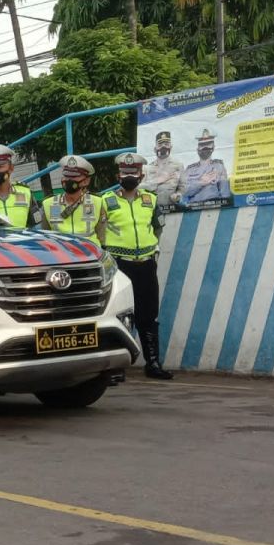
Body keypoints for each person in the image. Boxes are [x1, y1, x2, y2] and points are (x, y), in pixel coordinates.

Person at [103, 153, 173, 380]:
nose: (129, 176)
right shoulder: (106, 201)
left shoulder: (150, 200)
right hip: (120, 266)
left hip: (145, 264)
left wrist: (154, 249)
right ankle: (116, 367)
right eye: (125, 173)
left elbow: (158, 227)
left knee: (149, 313)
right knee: (119, 314)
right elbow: (99, 231)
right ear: (118, 175)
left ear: (141, 176)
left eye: (133, 173)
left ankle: (152, 363)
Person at [40, 155, 107, 245]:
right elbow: (45, 236)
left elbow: (102, 236)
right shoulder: (48, 204)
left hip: (90, 255)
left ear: (86, 181)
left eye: (73, 176)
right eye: (66, 175)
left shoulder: (97, 202)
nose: (68, 180)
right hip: (62, 256)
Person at [181, 129, 231, 205]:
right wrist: (201, 182)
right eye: (202, 145)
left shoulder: (219, 166)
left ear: (213, 147)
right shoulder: (190, 169)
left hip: (215, 205)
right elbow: (184, 192)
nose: (205, 147)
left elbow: (225, 193)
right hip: (194, 207)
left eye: (208, 144)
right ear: (197, 149)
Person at [143, 131, 185, 207]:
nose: (163, 147)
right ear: (155, 149)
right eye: (160, 144)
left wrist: (178, 195)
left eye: (166, 144)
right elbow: (140, 188)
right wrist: (157, 181)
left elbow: (182, 187)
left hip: (172, 209)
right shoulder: (147, 168)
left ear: (171, 147)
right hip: (152, 209)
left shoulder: (178, 166)